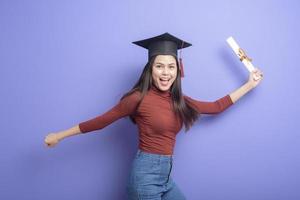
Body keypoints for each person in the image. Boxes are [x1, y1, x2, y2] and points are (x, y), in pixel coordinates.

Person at [44, 32, 263, 200]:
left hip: (165, 179)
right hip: (144, 179)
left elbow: (215, 107)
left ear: (178, 69)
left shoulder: (180, 100)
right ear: (151, 68)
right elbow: (100, 122)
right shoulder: (137, 98)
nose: (165, 73)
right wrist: (59, 135)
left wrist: (249, 85)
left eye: (170, 67)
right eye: (159, 66)